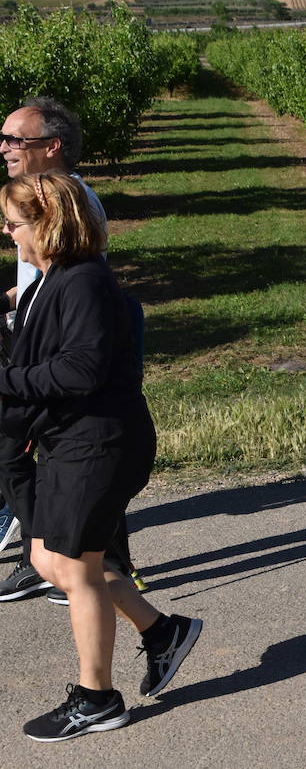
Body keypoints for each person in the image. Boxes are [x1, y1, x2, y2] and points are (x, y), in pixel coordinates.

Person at [0, 172, 201, 742]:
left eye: (14, 224)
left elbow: (80, 370)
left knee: (78, 570)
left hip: (100, 444)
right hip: (72, 441)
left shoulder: (84, 282)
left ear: (47, 224)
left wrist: (6, 379)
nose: (8, 233)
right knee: (47, 561)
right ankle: (161, 632)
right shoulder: (54, 278)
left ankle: (98, 699)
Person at [0, 97, 109, 604]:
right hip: (37, 356)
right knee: (22, 456)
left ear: (52, 146)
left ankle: (81, 565)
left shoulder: (67, 204)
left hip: (54, 367)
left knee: (42, 459)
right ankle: (52, 558)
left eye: (16, 140)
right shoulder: (37, 199)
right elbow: (36, 284)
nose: (5, 148)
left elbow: (72, 296)